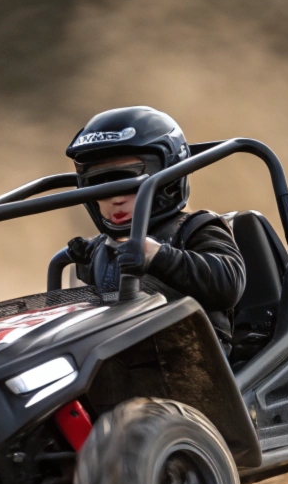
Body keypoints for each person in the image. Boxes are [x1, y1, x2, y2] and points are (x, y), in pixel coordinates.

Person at [65, 106, 245, 352]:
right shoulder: (104, 244)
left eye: (126, 180)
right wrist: (88, 256)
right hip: (120, 354)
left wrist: (159, 255)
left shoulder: (197, 226)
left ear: (168, 181)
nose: (115, 198)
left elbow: (229, 283)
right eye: (99, 184)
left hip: (195, 358)